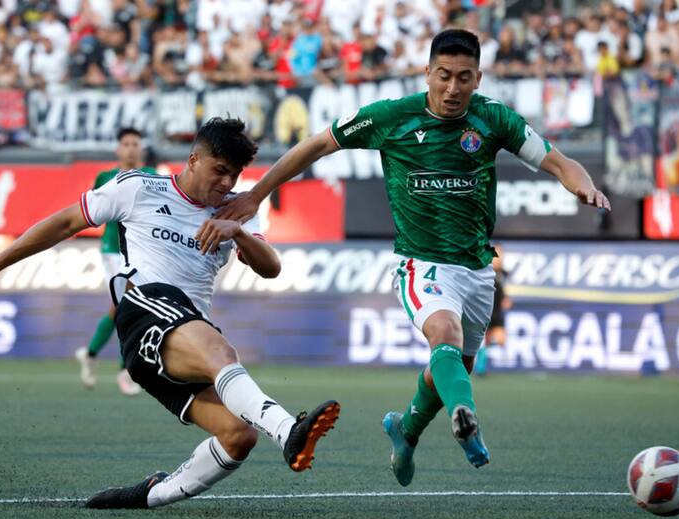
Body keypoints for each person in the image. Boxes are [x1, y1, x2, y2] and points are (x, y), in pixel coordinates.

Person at [207, 29, 610, 487]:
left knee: (453, 367)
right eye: (444, 76)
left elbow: (558, 161)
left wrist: (581, 184)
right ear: (428, 73)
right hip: (422, 263)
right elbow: (317, 144)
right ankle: (467, 415)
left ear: (478, 78)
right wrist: (258, 194)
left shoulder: (494, 119)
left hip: (478, 269)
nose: (453, 88)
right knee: (445, 336)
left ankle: (406, 430)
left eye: (463, 78)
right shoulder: (390, 118)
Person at [0, 117, 340, 509]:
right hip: (143, 311)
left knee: (237, 437)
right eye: (220, 170)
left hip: (182, 338)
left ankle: (150, 494)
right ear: (194, 160)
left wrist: (239, 232)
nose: (228, 183)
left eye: (235, 174)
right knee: (221, 353)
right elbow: (65, 223)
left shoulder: (239, 208)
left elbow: (271, 268)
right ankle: (287, 431)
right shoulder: (139, 188)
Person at [75, 127, 155, 395]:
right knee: (127, 306)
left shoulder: (154, 177)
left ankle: (91, 353)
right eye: (126, 143)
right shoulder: (105, 177)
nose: (131, 147)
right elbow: (93, 210)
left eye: (135, 143)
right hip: (113, 249)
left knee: (123, 308)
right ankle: (126, 371)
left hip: (142, 251)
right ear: (118, 149)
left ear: (141, 148)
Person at [473, 244, 511, 376]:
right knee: (484, 340)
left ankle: (481, 358)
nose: (499, 258)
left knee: (501, 340)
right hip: (485, 311)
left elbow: (502, 289)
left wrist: (506, 298)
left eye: (501, 255)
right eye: (496, 255)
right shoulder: (485, 271)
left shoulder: (503, 274)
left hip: (497, 312)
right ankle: (480, 367)